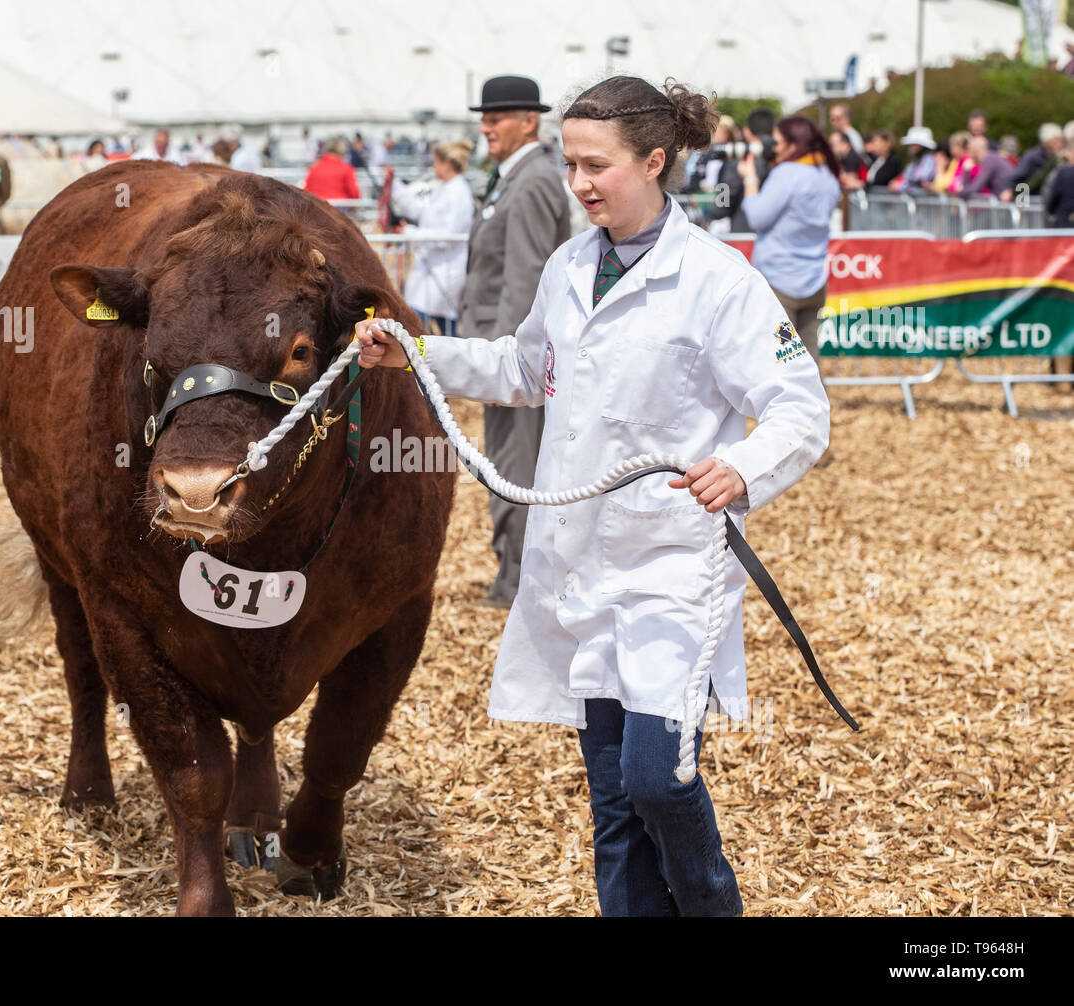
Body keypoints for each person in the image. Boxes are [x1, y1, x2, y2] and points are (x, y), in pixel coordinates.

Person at [354, 73, 830, 918]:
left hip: (669, 564)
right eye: (571, 163)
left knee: (658, 777)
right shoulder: (572, 265)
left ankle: (713, 905)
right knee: (611, 799)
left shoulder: (718, 280)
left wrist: (745, 467)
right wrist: (419, 351)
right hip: (578, 559)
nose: (578, 183)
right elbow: (525, 370)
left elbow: (800, 408)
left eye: (595, 166)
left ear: (654, 160)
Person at [460, 74, 571, 608]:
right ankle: (515, 575)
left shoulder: (531, 181)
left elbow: (524, 282)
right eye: (484, 115)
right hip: (502, 350)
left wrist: (504, 363)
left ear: (529, 120)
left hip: (514, 356)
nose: (487, 124)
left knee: (515, 466)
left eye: (497, 116)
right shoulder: (512, 177)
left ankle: (518, 582)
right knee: (509, 462)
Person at [738, 115, 841, 362]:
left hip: (779, 282)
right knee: (808, 362)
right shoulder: (827, 175)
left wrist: (750, 179)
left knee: (781, 362)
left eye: (777, 142)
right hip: (814, 281)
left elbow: (757, 217)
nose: (773, 148)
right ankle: (817, 403)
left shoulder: (787, 174)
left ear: (793, 144)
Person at [389, 139, 476, 338]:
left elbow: (446, 236)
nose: (433, 167)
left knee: (430, 323)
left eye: (436, 162)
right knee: (432, 321)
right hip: (434, 268)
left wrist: (410, 233)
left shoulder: (458, 193)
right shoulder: (446, 188)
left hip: (445, 269)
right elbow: (421, 209)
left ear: (446, 163)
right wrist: (394, 186)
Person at [1006, 123, 1064, 199]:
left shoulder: (1059, 156)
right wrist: (1013, 193)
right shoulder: (1032, 156)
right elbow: (1017, 178)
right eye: (1056, 140)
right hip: (1030, 201)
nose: (1059, 144)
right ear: (1046, 142)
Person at [889, 126, 937, 193]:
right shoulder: (914, 162)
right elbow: (906, 178)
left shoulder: (929, 160)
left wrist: (899, 187)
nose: (910, 147)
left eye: (913, 144)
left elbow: (919, 181)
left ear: (921, 146)